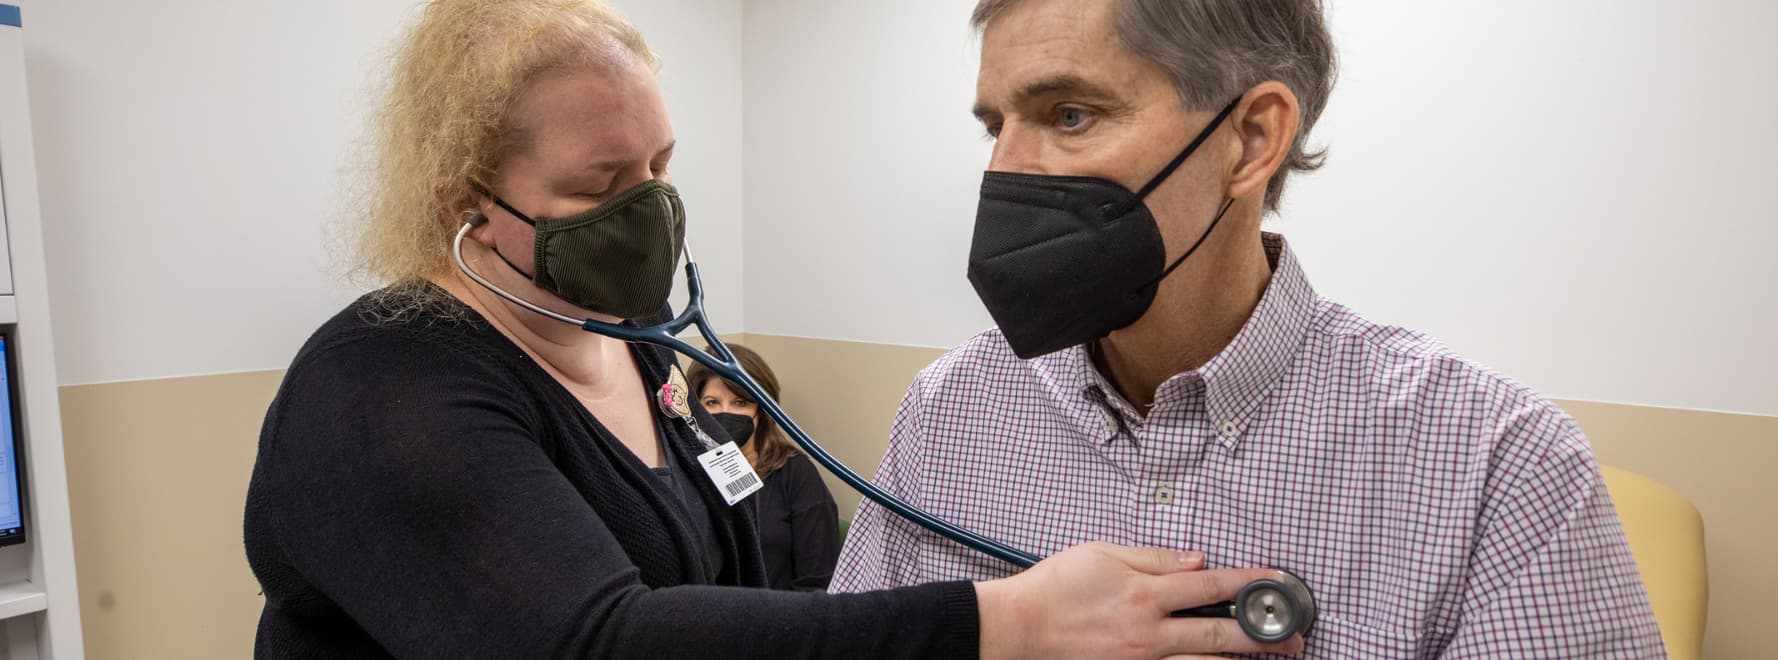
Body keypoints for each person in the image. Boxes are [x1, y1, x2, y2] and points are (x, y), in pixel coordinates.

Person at [241, 0, 1305, 658]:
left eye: (660, 165)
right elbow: (591, 643)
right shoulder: (382, 390)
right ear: (464, 204)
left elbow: (808, 564)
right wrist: (1009, 623)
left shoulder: (671, 356)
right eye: (601, 182)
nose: (652, 205)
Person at [833, 0, 1666, 657]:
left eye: (1070, 115)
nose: (1003, 170)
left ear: (1251, 137)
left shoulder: (1499, 466)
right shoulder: (948, 414)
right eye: (994, 126)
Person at [686, 343, 841, 591]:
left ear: (763, 410)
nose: (725, 414)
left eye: (740, 403)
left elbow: (819, 582)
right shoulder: (683, 473)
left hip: (782, 620)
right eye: (712, 402)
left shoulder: (795, 475)